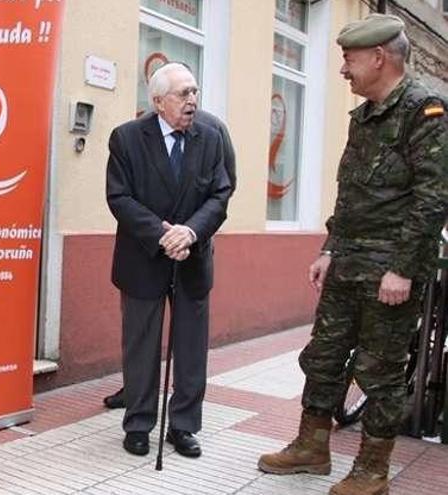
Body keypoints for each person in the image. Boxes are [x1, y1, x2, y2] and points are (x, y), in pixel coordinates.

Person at [258, 14, 448, 495]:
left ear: (379, 58)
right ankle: (311, 446)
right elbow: (352, 195)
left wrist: (402, 268)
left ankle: (371, 470)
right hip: (347, 264)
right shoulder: (363, 117)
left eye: (349, 58)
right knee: (322, 356)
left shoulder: (425, 111)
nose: (344, 69)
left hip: (390, 273)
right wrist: (329, 248)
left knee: (379, 372)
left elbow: (432, 199)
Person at [106, 62, 232, 458]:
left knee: (191, 348)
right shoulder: (126, 138)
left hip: (192, 258)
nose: (192, 100)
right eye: (183, 94)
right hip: (143, 258)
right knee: (140, 346)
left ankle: (183, 426)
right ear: (158, 101)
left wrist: (190, 232)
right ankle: (139, 423)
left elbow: (221, 194)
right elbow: (119, 197)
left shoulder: (210, 137)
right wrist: (162, 234)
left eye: (195, 92)